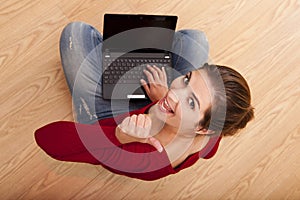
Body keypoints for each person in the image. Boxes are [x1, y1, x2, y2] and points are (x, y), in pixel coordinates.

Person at [35, 22, 254, 181]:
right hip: (152, 106)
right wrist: (164, 100)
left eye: (191, 103)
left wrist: (119, 136)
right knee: (196, 38)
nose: (174, 92)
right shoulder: (214, 132)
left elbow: (46, 139)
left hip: (112, 121)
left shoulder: (146, 160)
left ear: (202, 128)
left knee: (76, 32)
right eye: (187, 79)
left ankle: (113, 58)